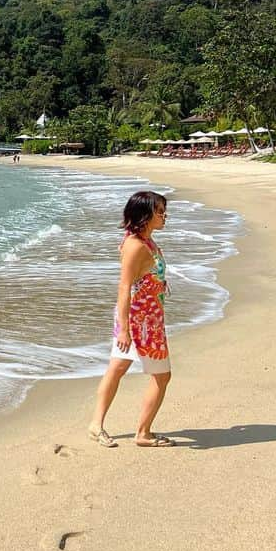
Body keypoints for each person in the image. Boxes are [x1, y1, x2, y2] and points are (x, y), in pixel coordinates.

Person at [88, 190, 175, 448]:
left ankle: (96, 425)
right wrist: (125, 330)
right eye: (159, 211)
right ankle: (143, 433)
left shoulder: (145, 240)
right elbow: (124, 287)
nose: (164, 215)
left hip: (147, 316)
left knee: (118, 368)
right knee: (162, 376)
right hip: (141, 322)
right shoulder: (136, 246)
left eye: (163, 210)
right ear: (145, 215)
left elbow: (143, 279)